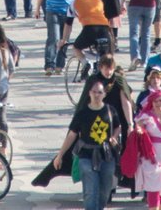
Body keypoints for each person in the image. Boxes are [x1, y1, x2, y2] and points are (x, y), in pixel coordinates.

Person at [50, 76, 125, 210]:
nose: (97, 95)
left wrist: (114, 136)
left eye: (100, 92)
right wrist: (60, 155)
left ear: (104, 94)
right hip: (86, 155)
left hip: (106, 155)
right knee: (91, 189)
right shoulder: (83, 113)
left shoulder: (110, 110)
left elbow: (118, 126)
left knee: (105, 189)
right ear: (89, 93)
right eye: (94, 92)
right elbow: (72, 134)